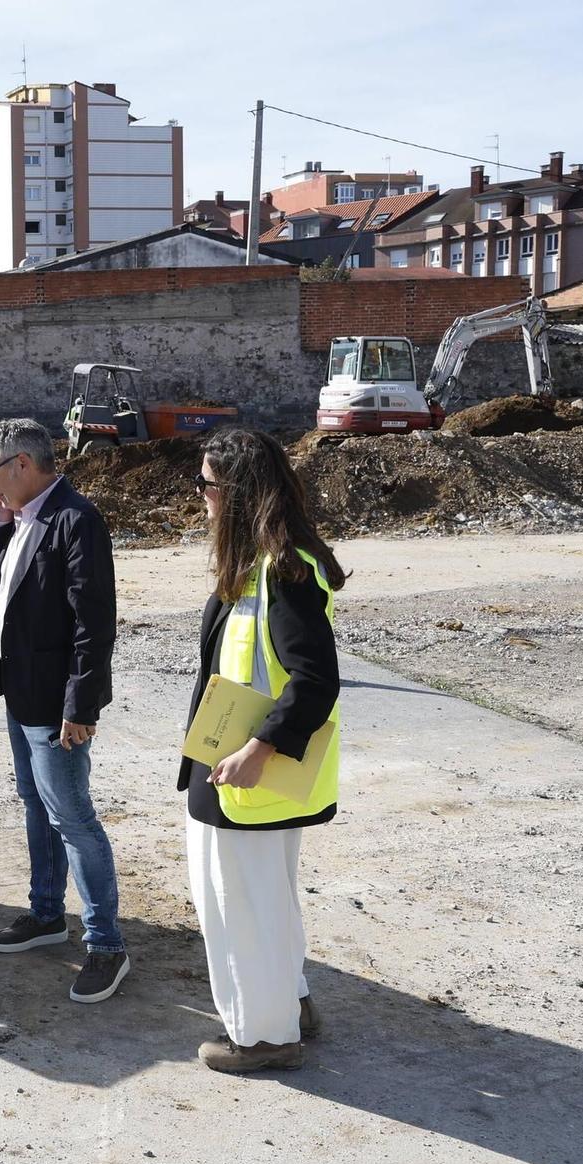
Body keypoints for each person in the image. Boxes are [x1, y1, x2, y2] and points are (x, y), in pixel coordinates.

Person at [182, 427, 347, 1074]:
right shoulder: (260, 564)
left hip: (249, 773)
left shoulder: (284, 573)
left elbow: (316, 680)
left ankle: (264, 1037)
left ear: (238, 492)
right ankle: (290, 1002)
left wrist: (260, 746)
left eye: (207, 484)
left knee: (239, 908)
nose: (201, 495)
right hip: (241, 770)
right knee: (266, 899)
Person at [0, 417, 128, 1004]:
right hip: (21, 691)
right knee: (36, 804)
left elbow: (94, 622)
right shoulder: (25, 518)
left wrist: (81, 704)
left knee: (73, 818)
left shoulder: (75, 519)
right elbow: (20, 589)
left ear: (21, 464)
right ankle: (45, 914)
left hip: (55, 702)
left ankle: (106, 945)